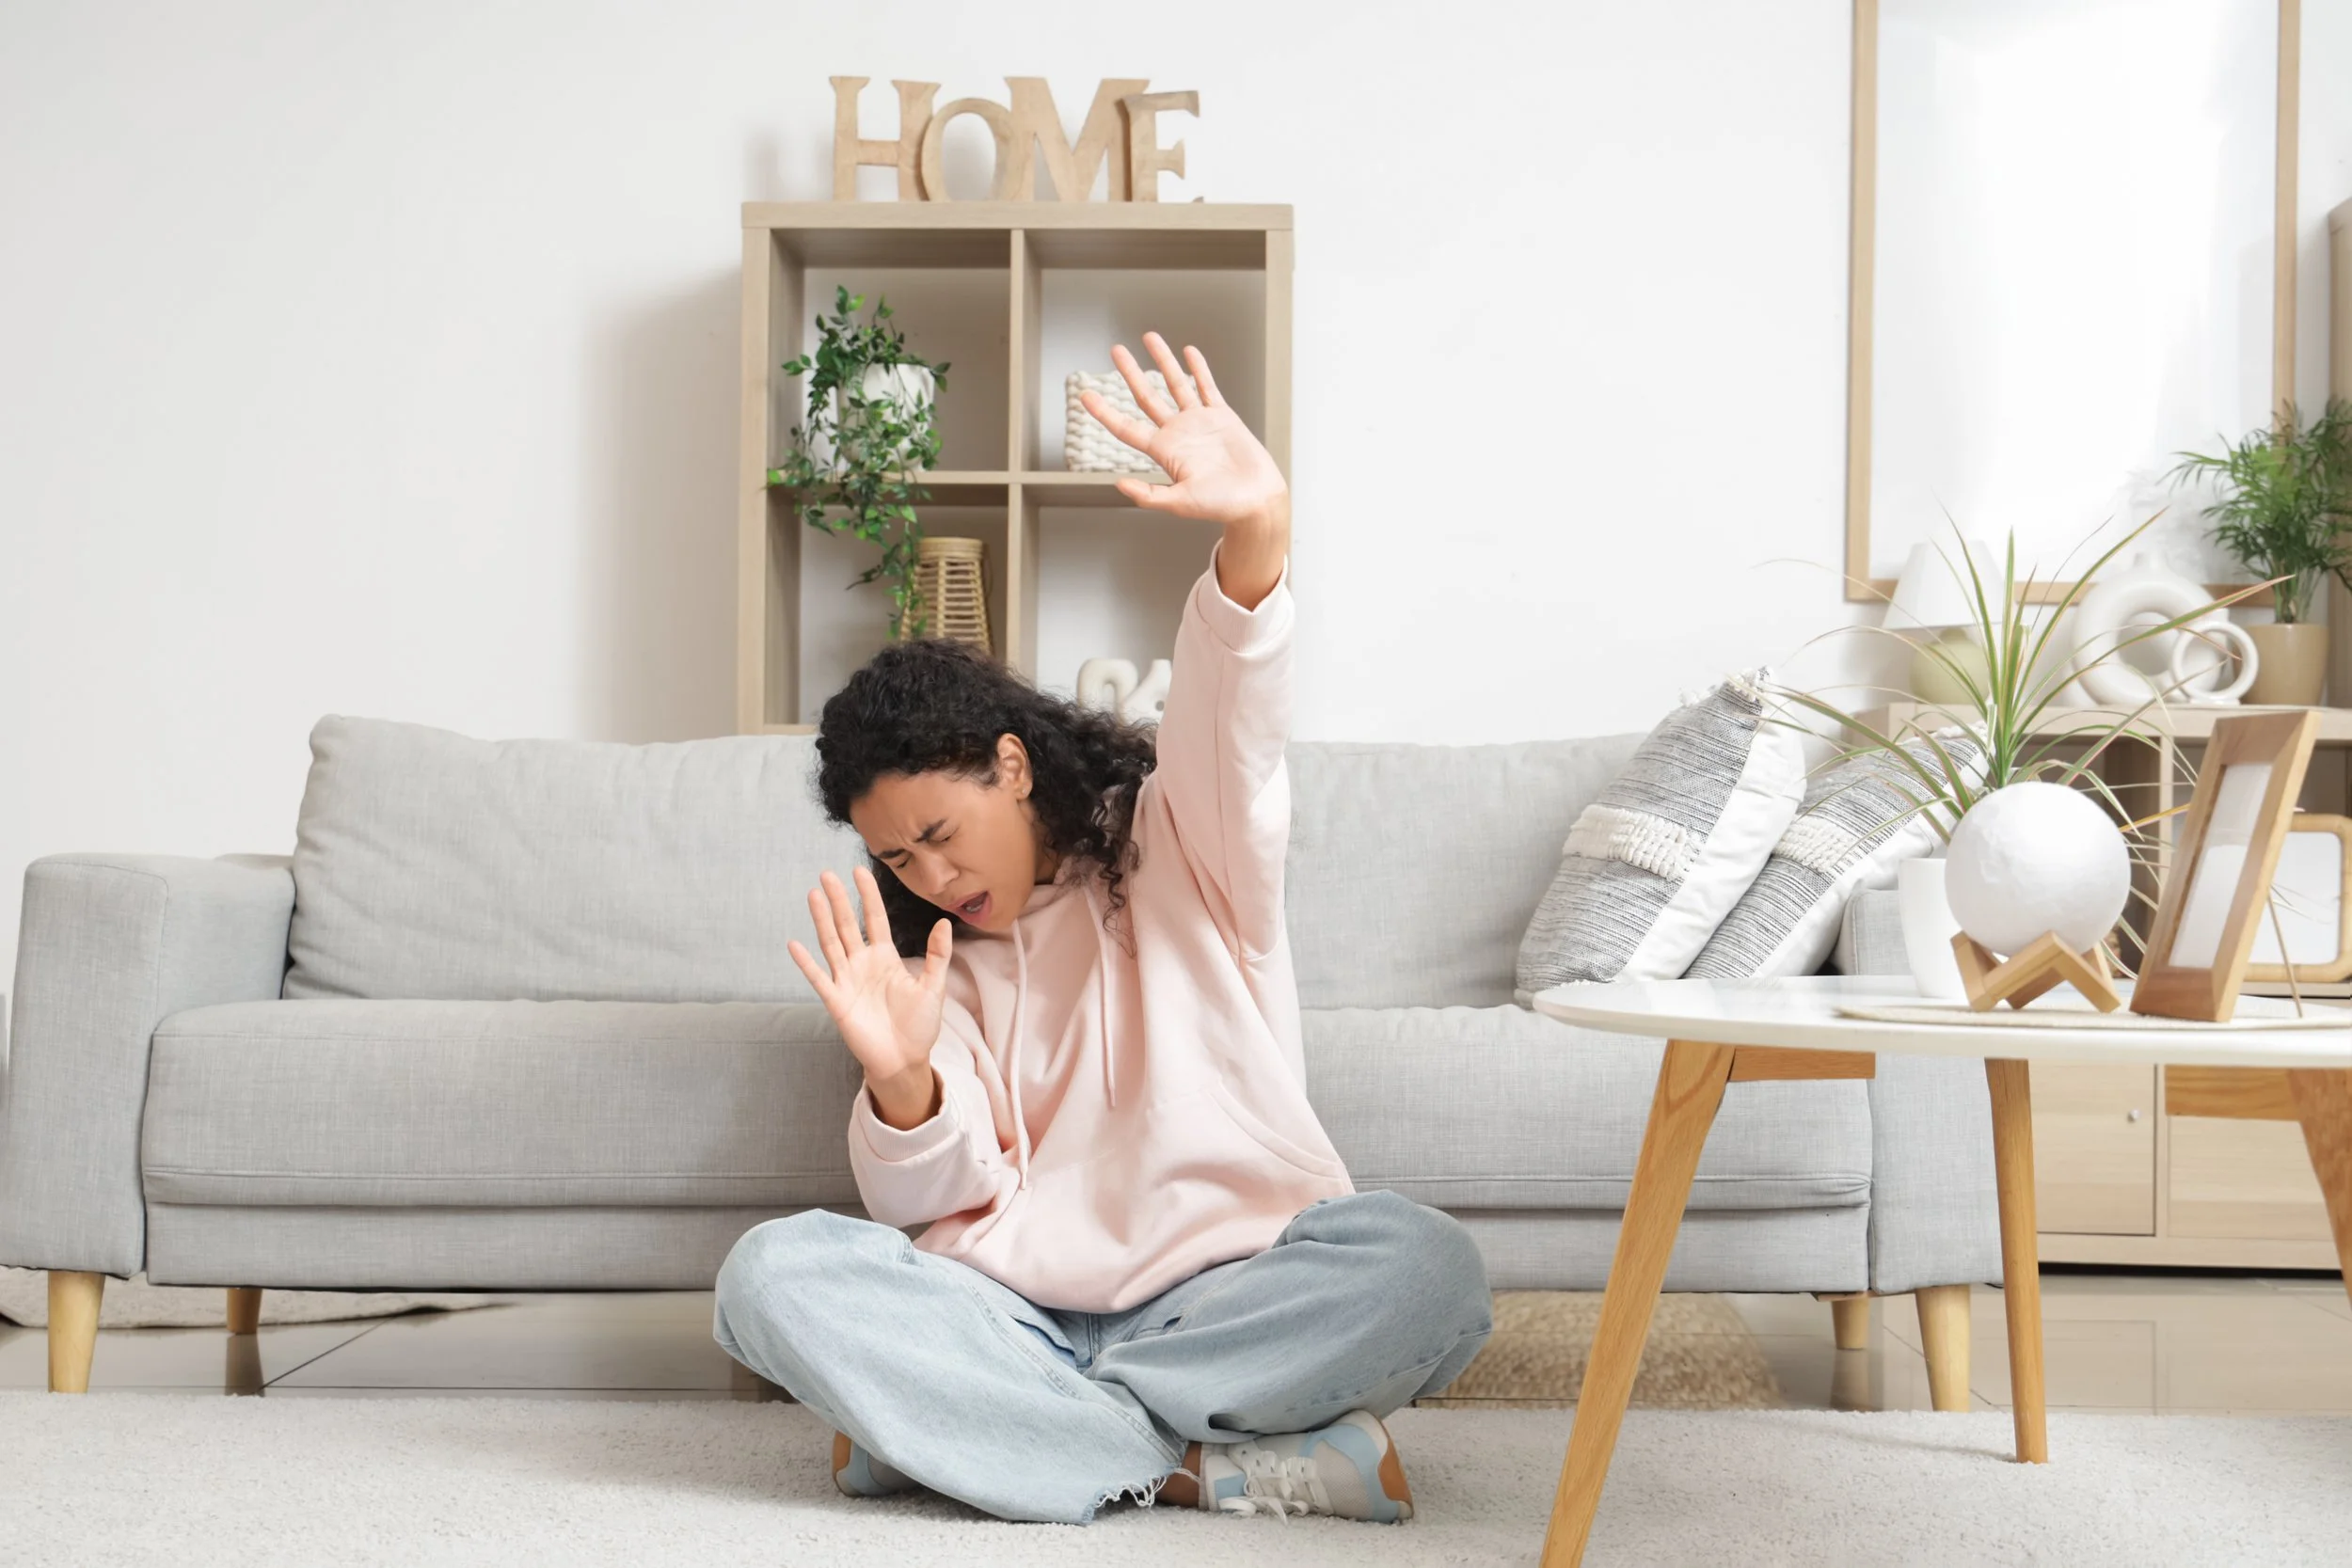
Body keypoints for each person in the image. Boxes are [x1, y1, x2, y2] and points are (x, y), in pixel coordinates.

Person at [710, 333, 1493, 1526]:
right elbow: (939, 1192)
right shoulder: (933, 957)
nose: (929, 869)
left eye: (939, 828)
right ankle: (1189, 1462)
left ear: (1011, 766)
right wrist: (904, 1080)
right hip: (1008, 1304)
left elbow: (1232, 721)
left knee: (1427, 1267)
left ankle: (982, 1435)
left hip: (1224, 1289)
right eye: (894, 855)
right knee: (767, 1275)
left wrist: (1255, 536)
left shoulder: (1184, 843)